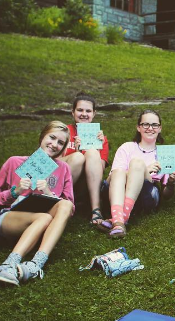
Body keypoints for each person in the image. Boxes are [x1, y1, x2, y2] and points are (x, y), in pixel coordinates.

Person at [0, 121, 74, 286]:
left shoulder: (63, 169)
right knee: (42, 218)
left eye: (60, 142)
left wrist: (49, 193)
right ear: (42, 136)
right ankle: (9, 264)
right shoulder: (15, 162)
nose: (54, 144)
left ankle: (35, 265)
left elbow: (70, 206)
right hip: (12, 219)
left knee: (61, 207)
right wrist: (14, 192)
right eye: (52, 137)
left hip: (44, 220)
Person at [98, 110, 175, 238]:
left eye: (154, 125)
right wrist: (143, 170)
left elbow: (167, 196)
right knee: (122, 170)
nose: (150, 128)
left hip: (146, 196)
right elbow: (114, 176)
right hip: (116, 192)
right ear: (138, 127)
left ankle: (118, 219)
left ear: (160, 128)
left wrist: (170, 183)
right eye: (145, 124)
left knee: (137, 164)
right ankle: (120, 220)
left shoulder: (165, 154)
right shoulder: (127, 147)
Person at [60, 92, 109, 228]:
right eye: (80, 110)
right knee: (77, 157)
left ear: (94, 114)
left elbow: (101, 167)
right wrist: (77, 152)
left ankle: (96, 209)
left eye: (88, 111)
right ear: (72, 112)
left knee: (92, 153)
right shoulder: (63, 132)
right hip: (62, 182)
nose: (84, 114)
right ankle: (59, 204)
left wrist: (95, 147)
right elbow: (53, 162)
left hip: (86, 186)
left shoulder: (100, 138)